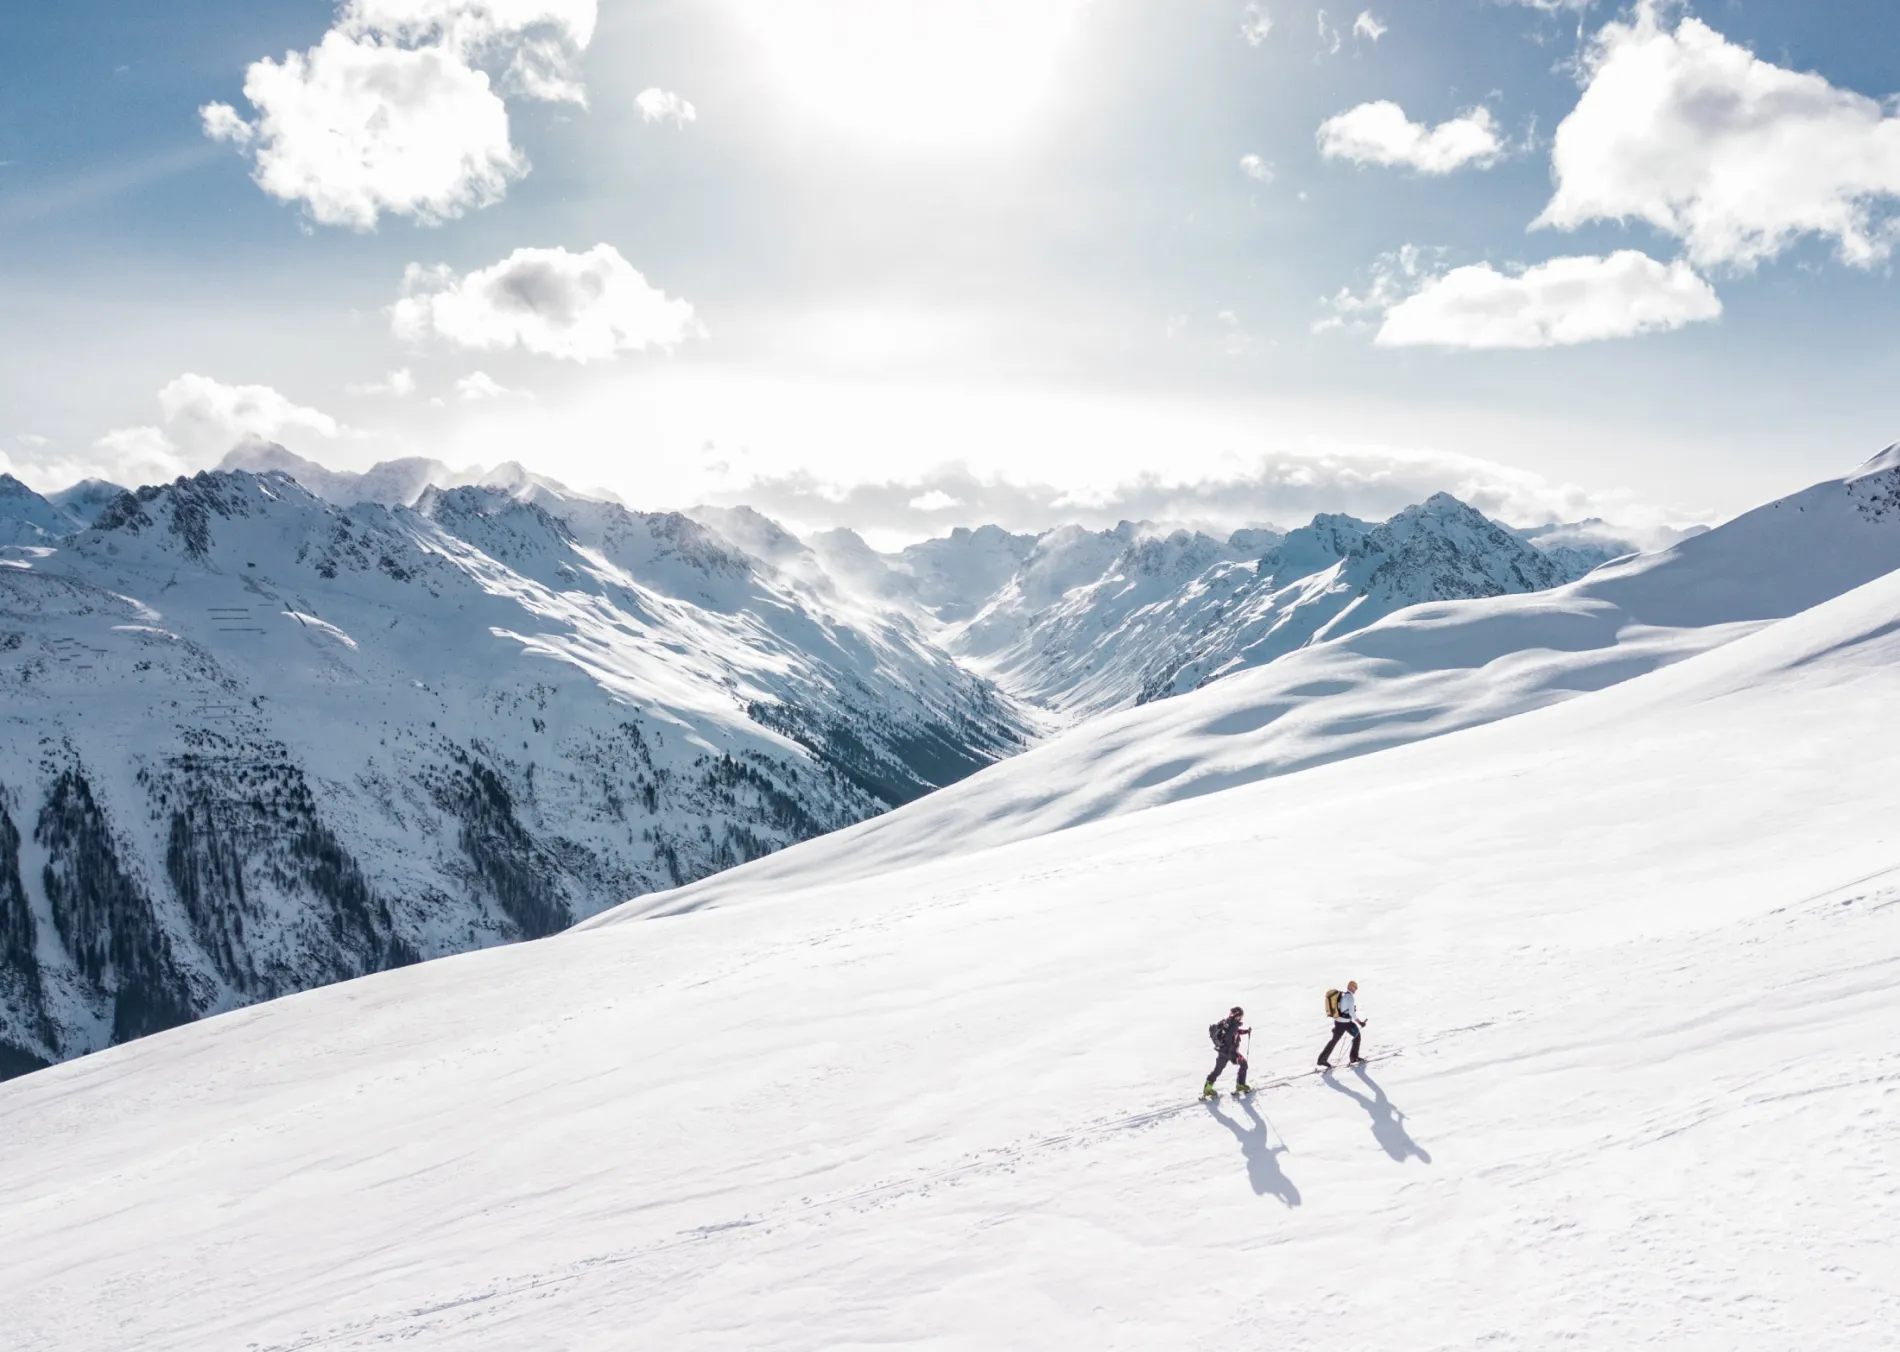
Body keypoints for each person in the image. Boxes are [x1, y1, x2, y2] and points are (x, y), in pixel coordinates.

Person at [1204, 1006, 1251, 1096]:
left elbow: (1234, 1032)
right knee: (1243, 1064)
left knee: (1217, 1070)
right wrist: (1233, 1051)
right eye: (1240, 1016)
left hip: (1222, 1051)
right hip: (1231, 1052)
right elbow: (1230, 1035)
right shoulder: (1233, 1025)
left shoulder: (1226, 1023)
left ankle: (1207, 1089)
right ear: (1236, 1016)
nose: (1241, 1018)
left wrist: (1245, 1031)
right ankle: (1240, 1085)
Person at [1317, 980, 1365, 1068]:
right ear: (1351, 987)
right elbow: (1352, 1013)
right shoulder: (1350, 998)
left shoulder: (1343, 995)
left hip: (1339, 1022)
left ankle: (1322, 1059)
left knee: (1334, 1040)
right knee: (1356, 1036)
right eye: (1355, 988)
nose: (1355, 990)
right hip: (1345, 1023)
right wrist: (1360, 1022)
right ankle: (1353, 1057)